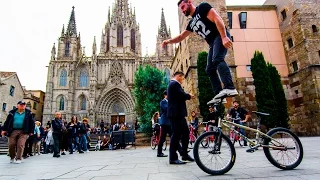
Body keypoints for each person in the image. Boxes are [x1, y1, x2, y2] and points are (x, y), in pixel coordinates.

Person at [162, 0, 238, 104]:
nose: (183, 11)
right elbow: (181, 37)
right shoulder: (191, 23)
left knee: (217, 59)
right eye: (181, 9)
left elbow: (217, 18)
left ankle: (230, 87)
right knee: (210, 69)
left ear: (189, 2)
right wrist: (168, 41)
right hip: (212, 43)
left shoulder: (202, 7)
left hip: (219, 36)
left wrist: (224, 37)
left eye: (183, 7)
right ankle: (219, 94)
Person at [167, 71, 195, 165]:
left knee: (186, 133)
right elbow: (181, 95)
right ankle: (173, 158)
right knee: (175, 136)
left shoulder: (173, 84)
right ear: (179, 76)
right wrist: (189, 96)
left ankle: (184, 154)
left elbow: (179, 96)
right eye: (182, 78)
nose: (183, 80)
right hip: (176, 114)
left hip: (178, 114)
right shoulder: (174, 84)